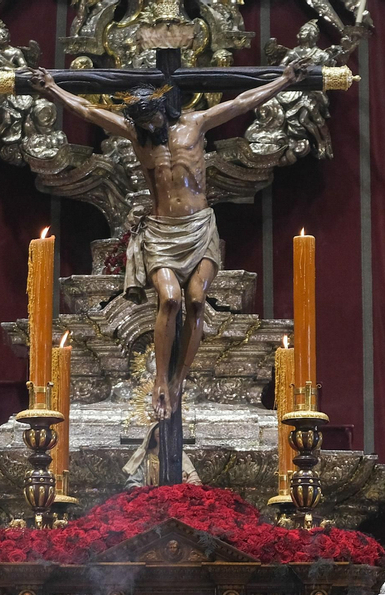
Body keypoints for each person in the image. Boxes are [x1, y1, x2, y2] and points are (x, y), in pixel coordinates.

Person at [26, 60, 305, 420]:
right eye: (141, 122)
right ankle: (160, 380)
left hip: (199, 226)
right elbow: (87, 110)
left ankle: (178, 382)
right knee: (171, 300)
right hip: (161, 231)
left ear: (164, 109)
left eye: (152, 119)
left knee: (197, 300)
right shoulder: (135, 134)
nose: (149, 127)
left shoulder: (194, 124)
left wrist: (282, 81)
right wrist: (50, 87)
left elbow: (241, 103)